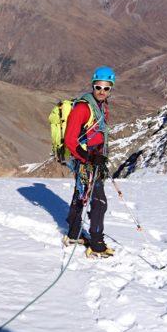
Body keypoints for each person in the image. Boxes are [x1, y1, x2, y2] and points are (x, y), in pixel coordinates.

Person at [63, 66, 115, 259]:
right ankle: (97, 243)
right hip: (86, 160)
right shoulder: (83, 108)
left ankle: (74, 233)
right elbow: (70, 140)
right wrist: (88, 158)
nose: (102, 91)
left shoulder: (100, 105)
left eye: (106, 88)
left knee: (81, 195)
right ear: (93, 85)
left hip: (94, 159)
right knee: (99, 202)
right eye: (98, 87)